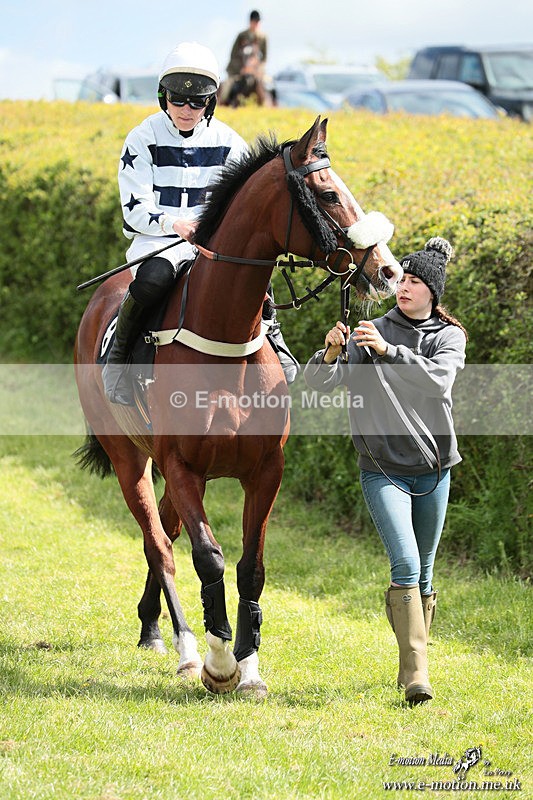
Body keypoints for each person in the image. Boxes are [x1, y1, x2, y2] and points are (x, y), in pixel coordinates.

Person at [303, 237, 467, 705]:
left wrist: (389, 353)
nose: (405, 287)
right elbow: (320, 383)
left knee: (428, 573)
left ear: (433, 292)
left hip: (435, 467)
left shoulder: (447, 337)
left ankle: (412, 665)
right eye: (403, 279)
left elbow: (439, 380)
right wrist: (333, 352)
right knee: (408, 564)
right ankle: (417, 675)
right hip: (382, 468)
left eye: (415, 282)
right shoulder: (370, 328)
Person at [103, 41, 295, 405]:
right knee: (151, 281)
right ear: (163, 97)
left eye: (198, 101)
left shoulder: (230, 143)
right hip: (157, 242)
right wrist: (176, 225)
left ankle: (275, 339)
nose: (187, 109)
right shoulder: (141, 139)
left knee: (254, 278)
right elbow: (134, 209)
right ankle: (119, 360)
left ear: (211, 101)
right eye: (178, 100)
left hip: (213, 246)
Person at [220, 10, 268, 106]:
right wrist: (242, 69)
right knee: (227, 86)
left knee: (265, 85)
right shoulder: (241, 36)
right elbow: (233, 55)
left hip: (255, 70)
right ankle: (221, 102)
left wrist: (257, 70)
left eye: (257, 22)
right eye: (254, 22)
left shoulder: (263, 38)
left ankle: (265, 104)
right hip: (237, 70)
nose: (256, 24)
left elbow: (264, 59)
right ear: (250, 22)